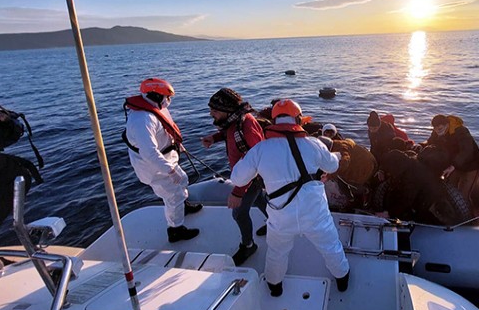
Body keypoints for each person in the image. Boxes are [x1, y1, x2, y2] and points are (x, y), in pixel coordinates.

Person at [231, 99, 350, 297]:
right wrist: (336, 155)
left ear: (274, 121)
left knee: (277, 252)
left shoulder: (260, 150)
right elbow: (332, 166)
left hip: (281, 216)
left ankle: (275, 286)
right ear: (299, 119)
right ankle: (343, 279)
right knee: (330, 246)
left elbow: (237, 177)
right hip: (315, 213)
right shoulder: (314, 144)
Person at [123, 78, 202, 243]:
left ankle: (183, 207)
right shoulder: (142, 120)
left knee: (183, 180)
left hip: (167, 158)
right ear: (155, 95)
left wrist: (177, 146)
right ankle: (175, 230)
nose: (169, 100)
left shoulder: (156, 108)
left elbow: (166, 129)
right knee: (173, 195)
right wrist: (169, 170)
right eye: (166, 97)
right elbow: (149, 152)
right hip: (154, 166)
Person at [200, 88, 268, 265]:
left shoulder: (246, 125)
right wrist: (214, 138)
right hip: (247, 177)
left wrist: (238, 193)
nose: (211, 114)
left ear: (227, 110)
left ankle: (248, 246)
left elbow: (255, 162)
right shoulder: (233, 121)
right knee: (260, 198)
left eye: (214, 111)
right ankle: (275, 223)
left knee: (238, 213)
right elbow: (229, 132)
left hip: (253, 177)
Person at [422, 114, 479, 206]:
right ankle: (452, 214)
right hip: (455, 164)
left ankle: (469, 218)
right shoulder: (437, 132)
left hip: (471, 165)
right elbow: (431, 142)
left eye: (440, 129)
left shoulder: (460, 131)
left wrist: (453, 166)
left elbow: (467, 151)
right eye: (435, 129)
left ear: (447, 125)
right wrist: (421, 146)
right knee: (449, 190)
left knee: (463, 195)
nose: (438, 131)